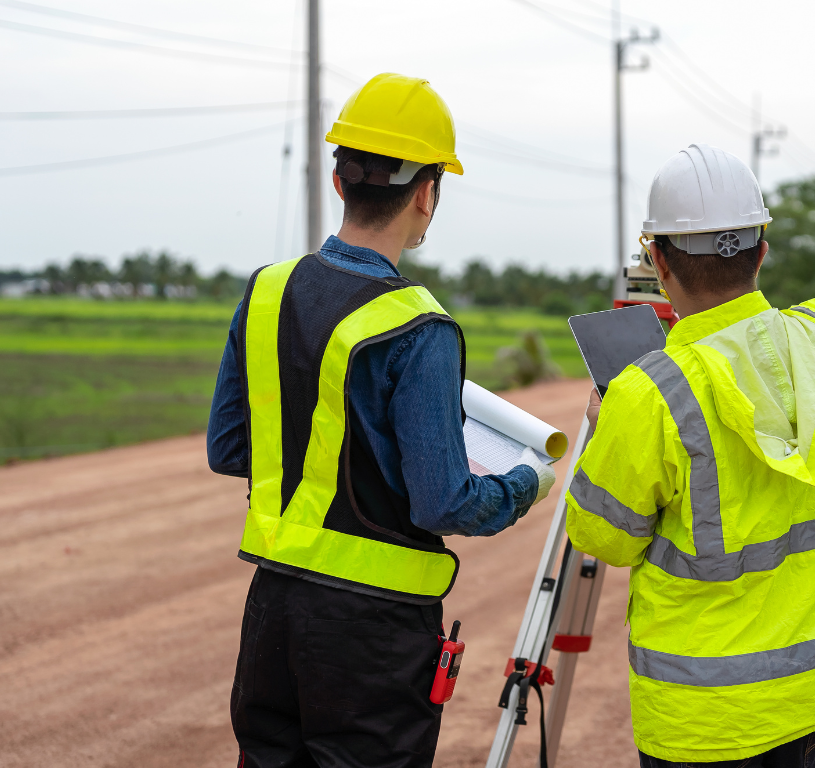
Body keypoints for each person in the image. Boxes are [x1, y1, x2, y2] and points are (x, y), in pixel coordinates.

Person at [206, 73, 556, 768]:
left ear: (341, 181)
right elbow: (445, 501)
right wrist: (525, 481)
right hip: (374, 634)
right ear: (426, 192)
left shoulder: (267, 291)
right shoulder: (420, 328)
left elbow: (230, 446)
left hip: (273, 611)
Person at [564, 144, 815, 767]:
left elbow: (601, 537)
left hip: (701, 721)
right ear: (762, 251)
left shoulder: (645, 394)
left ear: (657, 259)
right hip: (813, 695)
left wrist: (608, 435)